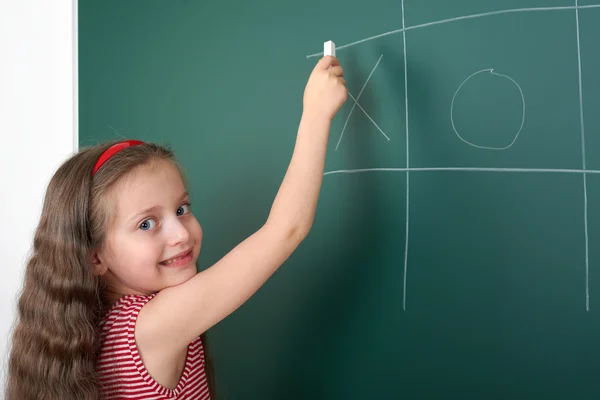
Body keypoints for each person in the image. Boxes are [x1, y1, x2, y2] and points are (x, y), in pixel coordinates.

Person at [5, 55, 347, 400]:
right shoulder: (151, 327)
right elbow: (287, 229)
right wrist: (316, 115)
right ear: (95, 258)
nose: (181, 234)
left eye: (182, 209)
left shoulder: (90, 327)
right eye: (147, 224)